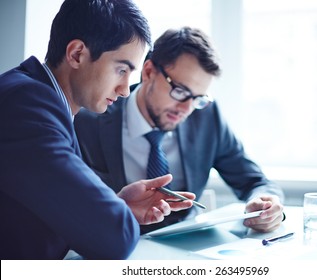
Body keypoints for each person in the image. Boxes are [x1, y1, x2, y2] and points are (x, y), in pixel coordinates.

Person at [0, 0, 196, 260]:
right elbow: (116, 238)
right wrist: (114, 214)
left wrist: (119, 204)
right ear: (77, 54)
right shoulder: (28, 105)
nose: (126, 89)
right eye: (121, 70)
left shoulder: (38, 98)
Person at [74, 27, 285, 234]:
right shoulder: (89, 122)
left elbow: (255, 180)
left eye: (197, 98)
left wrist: (267, 203)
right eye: (180, 91)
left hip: (188, 250)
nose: (187, 109)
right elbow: (75, 209)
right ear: (148, 72)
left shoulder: (206, 117)